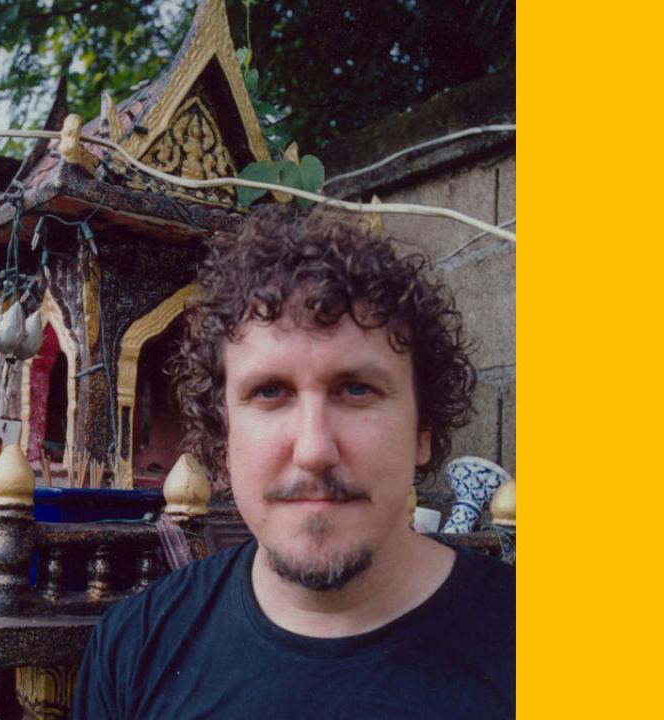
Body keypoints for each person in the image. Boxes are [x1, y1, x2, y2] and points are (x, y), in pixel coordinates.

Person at [72, 208, 515, 718]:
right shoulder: (133, 649)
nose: (313, 449)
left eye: (356, 389)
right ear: (223, 438)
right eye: (270, 392)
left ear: (423, 431)